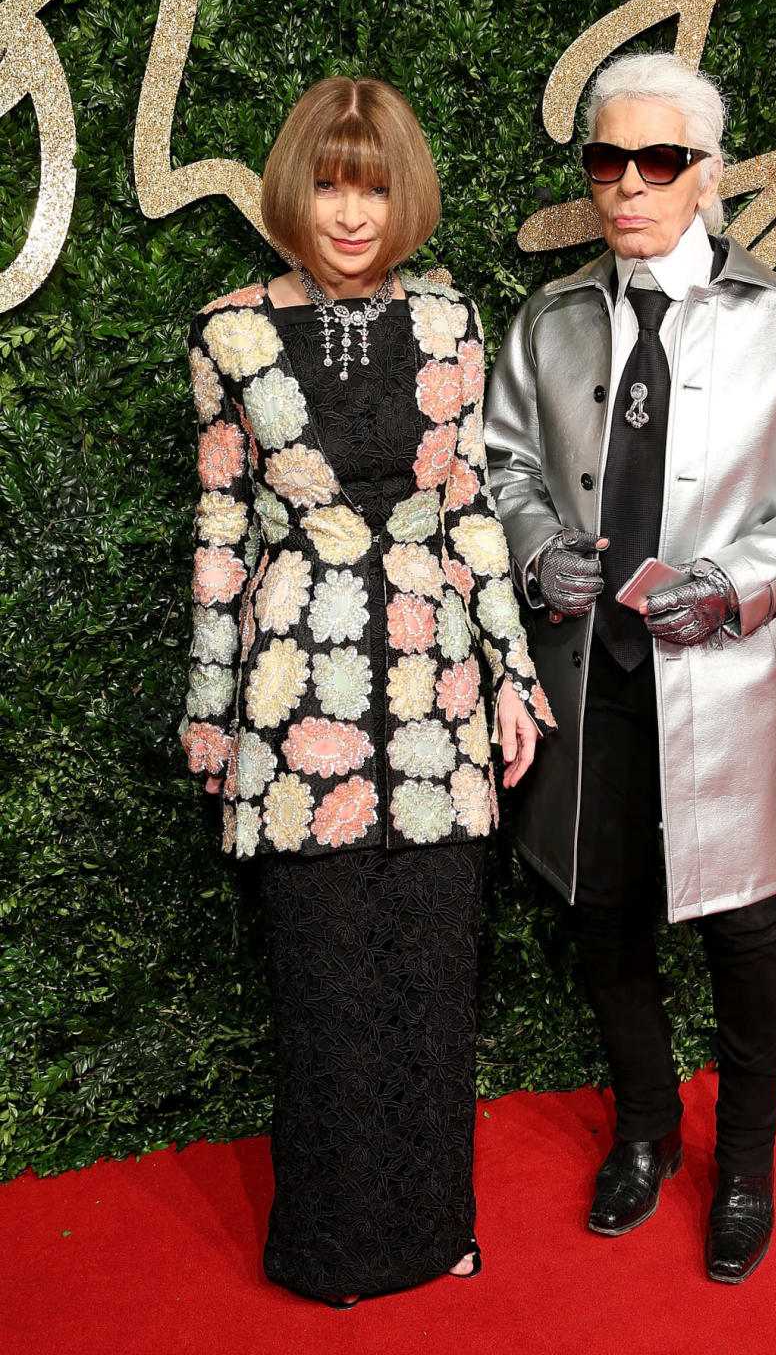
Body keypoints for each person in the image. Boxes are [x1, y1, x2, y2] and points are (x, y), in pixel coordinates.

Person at [484, 51, 776, 1283]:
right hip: (587, 679)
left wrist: (734, 583)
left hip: (731, 685)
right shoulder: (546, 323)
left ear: (710, 172)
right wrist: (539, 550)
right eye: (608, 160)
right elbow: (505, 467)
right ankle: (646, 1126)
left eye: (660, 160)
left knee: (744, 927)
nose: (630, 185)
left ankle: (745, 1160)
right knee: (602, 920)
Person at [180, 76, 554, 1306]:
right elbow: (222, 531)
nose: (352, 211)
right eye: (334, 182)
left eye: (377, 184)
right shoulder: (230, 331)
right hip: (301, 702)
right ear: (298, 187)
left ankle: (438, 1226)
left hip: (438, 690)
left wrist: (510, 671)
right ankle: (333, 1249)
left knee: (438, 972)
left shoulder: (451, 322)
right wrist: (208, 710)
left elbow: (468, 510)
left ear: (406, 197)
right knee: (329, 978)